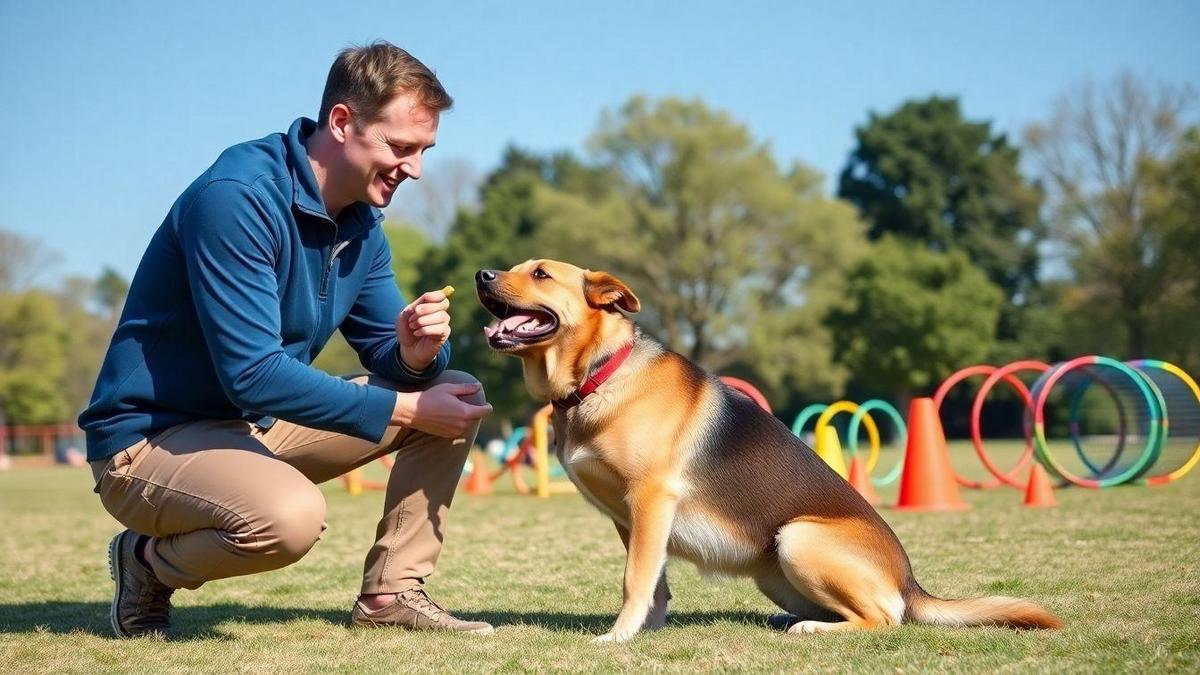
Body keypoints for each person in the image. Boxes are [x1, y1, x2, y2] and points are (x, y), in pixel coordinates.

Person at [78, 41, 495, 638]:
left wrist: (415, 354)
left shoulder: (359, 222)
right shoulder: (238, 198)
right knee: (289, 518)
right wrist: (405, 405)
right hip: (148, 442)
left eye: (423, 150)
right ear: (343, 122)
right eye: (400, 147)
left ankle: (391, 594)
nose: (415, 168)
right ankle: (144, 563)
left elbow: (386, 352)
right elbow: (252, 373)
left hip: (253, 427)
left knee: (456, 392)